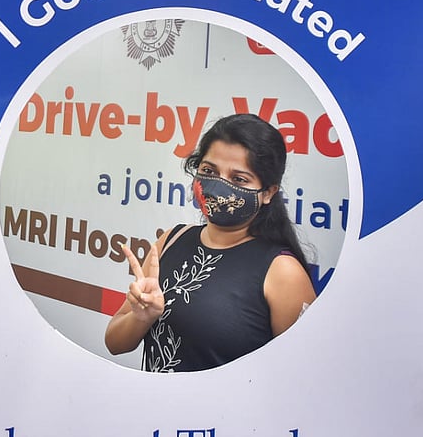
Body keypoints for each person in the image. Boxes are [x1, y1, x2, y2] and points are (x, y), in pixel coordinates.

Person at [104, 114, 316, 372]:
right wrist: (142, 317)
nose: (218, 186)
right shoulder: (171, 240)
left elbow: (302, 375)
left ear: (269, 192)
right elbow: (114, 343)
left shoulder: (282, 271)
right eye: (209, 171)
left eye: (239, 179)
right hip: (152, 398)